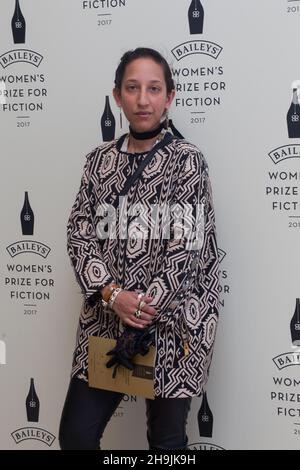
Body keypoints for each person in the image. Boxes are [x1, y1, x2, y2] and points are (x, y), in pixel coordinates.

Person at [59, 47, 219, 450]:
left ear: (169, 97)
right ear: (117, 96)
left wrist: (142, 308)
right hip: (106, 321)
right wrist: (113, 297)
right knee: (76, 436)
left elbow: (186, 251)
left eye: (153, 88)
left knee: (166, 443)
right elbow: (79, 232)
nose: (143, 99)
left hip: (173, 328)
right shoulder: (98, 161)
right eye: (132, 88)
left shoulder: (187, 161)